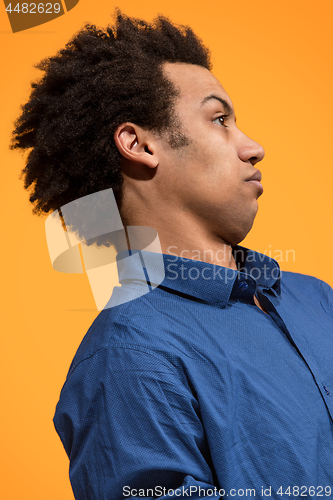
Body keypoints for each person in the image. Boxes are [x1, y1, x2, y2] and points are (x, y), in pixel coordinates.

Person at [11, 9, 333, 500]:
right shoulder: (126, 358)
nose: (254, 147)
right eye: (219, 119)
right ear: (138, 144)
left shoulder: (317, 300)